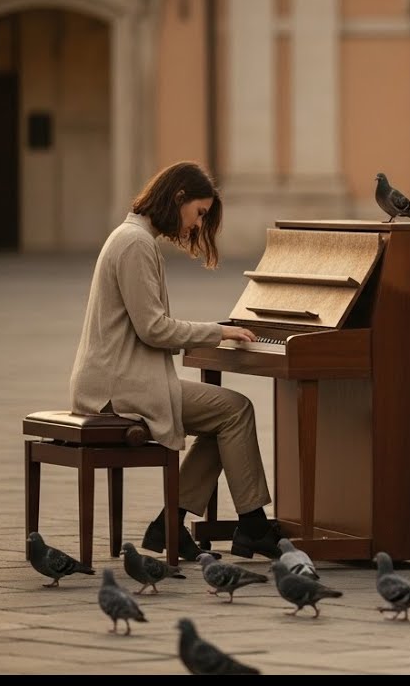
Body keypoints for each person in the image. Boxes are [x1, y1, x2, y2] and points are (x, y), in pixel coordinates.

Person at [70, 161, 283, 562]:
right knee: (234, 411)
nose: (199, 226)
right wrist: (218, 331)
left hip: (116, 379)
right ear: (178, 198)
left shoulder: (132, 236)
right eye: (199, 214)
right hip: (118, 387)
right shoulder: (135, 244)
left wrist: (213, 331)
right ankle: (252, 526)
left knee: (224, 416)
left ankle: (170, 524)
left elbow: (151, 327)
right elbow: (154, 329)